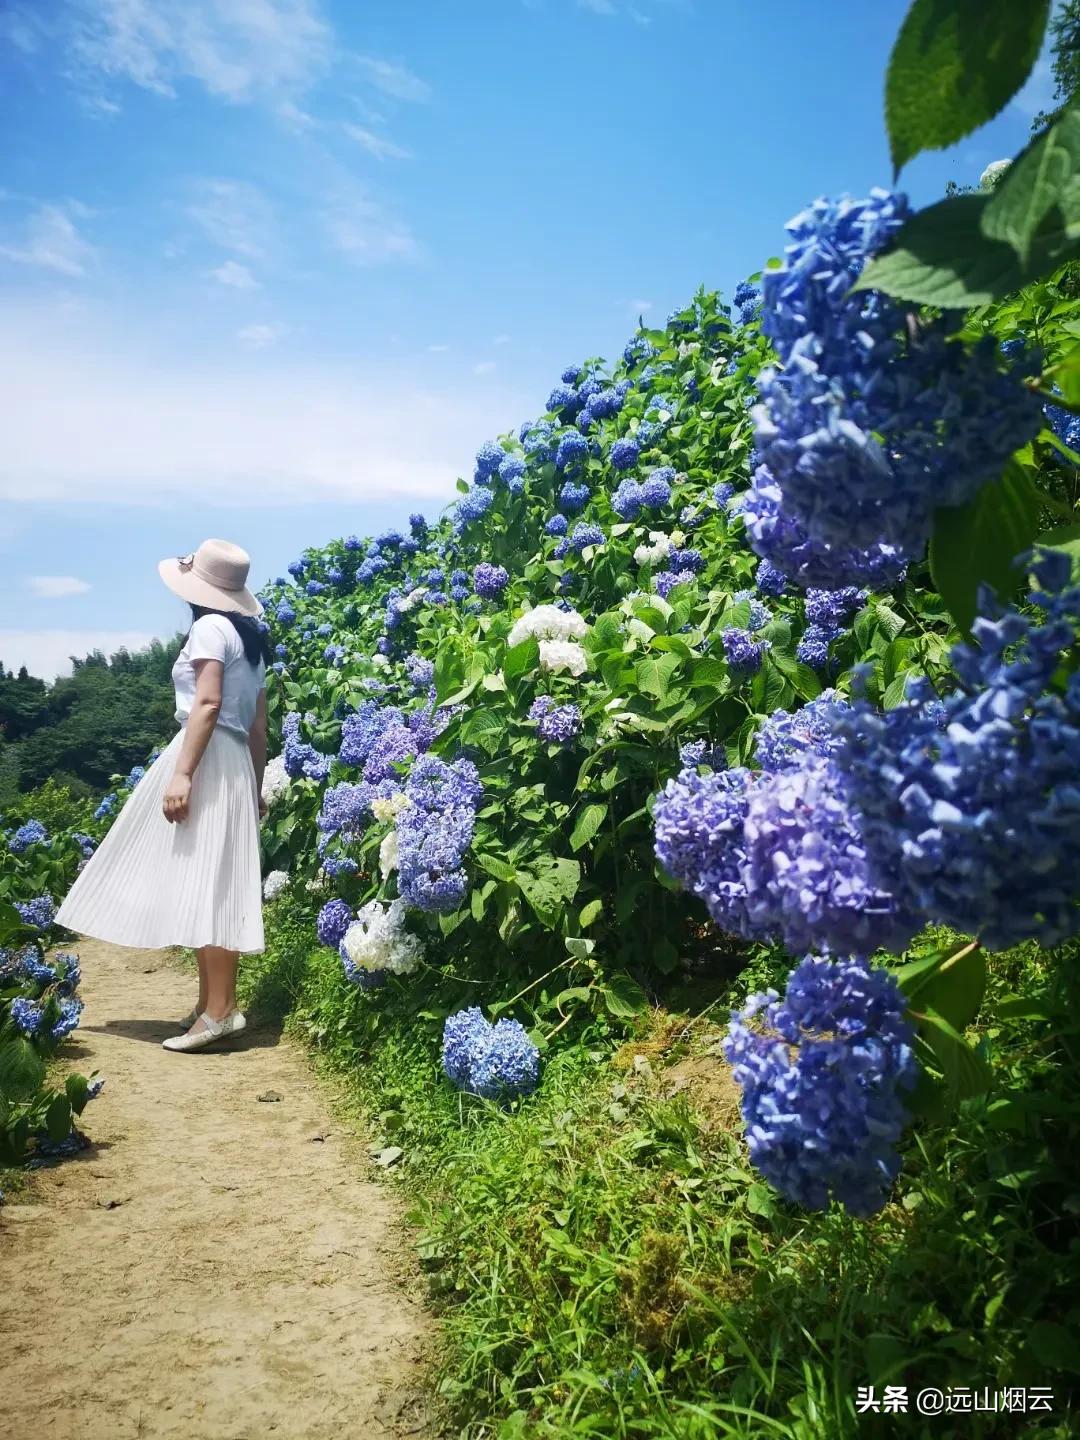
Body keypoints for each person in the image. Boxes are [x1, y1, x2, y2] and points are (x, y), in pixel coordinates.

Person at [56, 539, 270, 1053]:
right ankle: (213, 1003)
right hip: (234, 759)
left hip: (208, 756)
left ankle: (219, 1010)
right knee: (209, 880)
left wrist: (183, 774)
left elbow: (208, 702)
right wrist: (256, 786)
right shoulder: (252, 641)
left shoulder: (207, 628)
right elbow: (259, 724)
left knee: (209, 883)